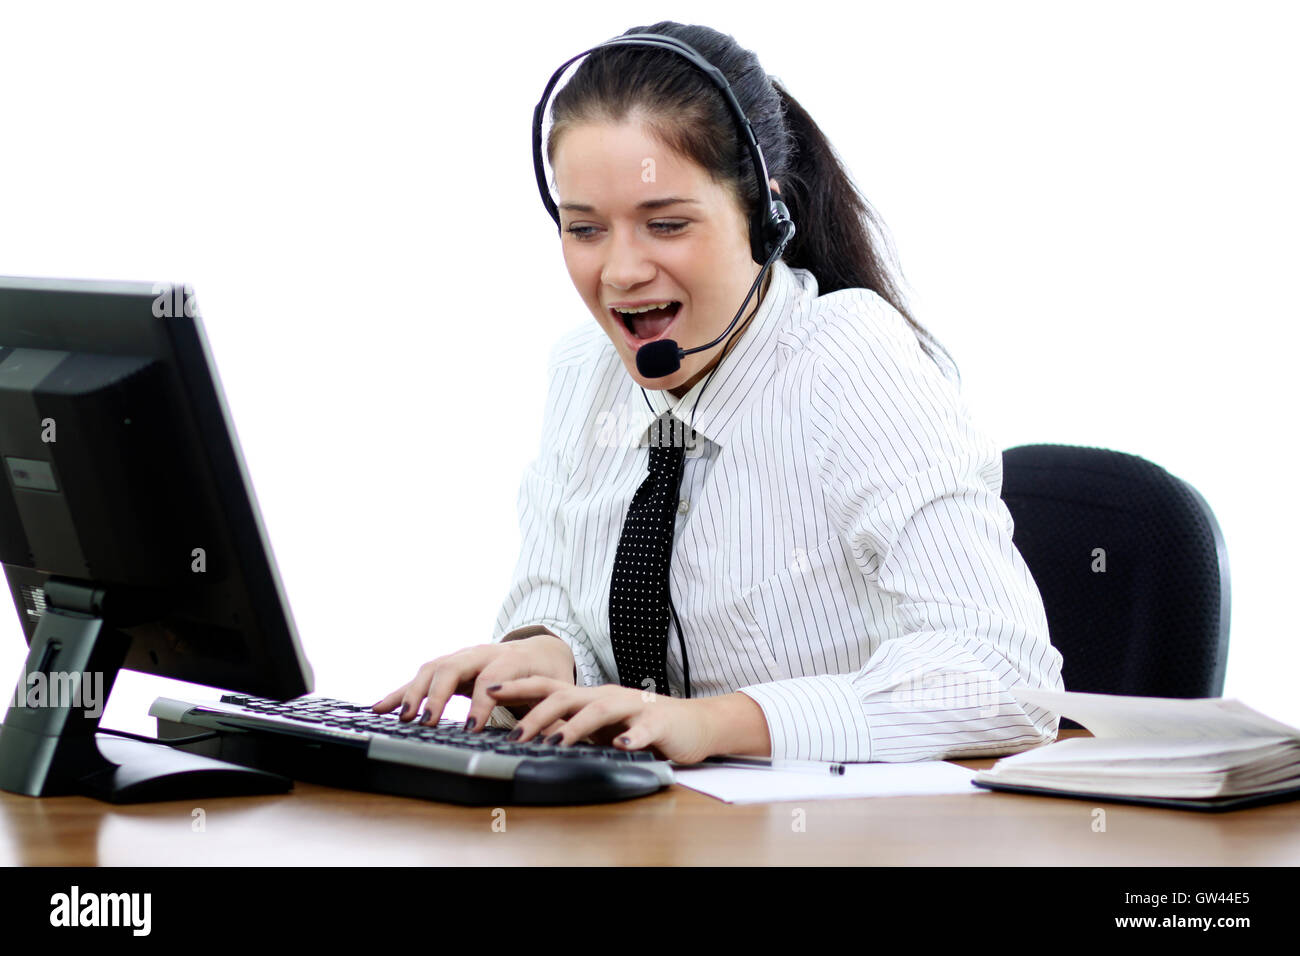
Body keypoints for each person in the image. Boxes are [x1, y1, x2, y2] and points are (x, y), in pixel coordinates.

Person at [373, 21, 1064, 765]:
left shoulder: (851, 363)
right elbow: (553, 595)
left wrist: (714, 722)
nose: (621, 272)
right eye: (585, 229)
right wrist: (547, 652)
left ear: (762, 217)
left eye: (665, 224)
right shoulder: (584, 370)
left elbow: (1006, 677)